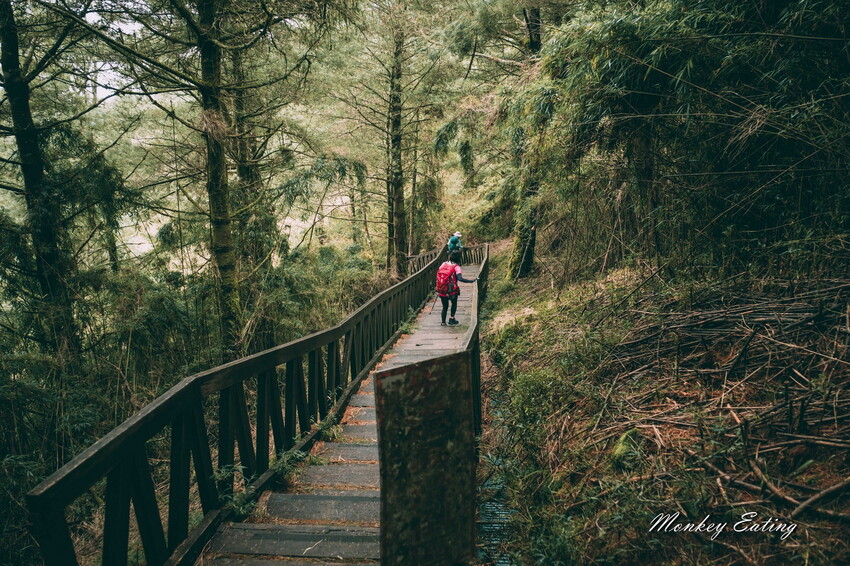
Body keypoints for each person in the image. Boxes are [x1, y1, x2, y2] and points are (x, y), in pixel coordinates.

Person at [436, 251, 477, 326]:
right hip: (452, 290)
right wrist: (471, 281)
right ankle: (452, 319)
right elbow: (460, 278)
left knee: (445, 306)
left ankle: (443, 322)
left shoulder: (443, 264)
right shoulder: (456, 267)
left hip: (442, 289)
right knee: (454, 304)